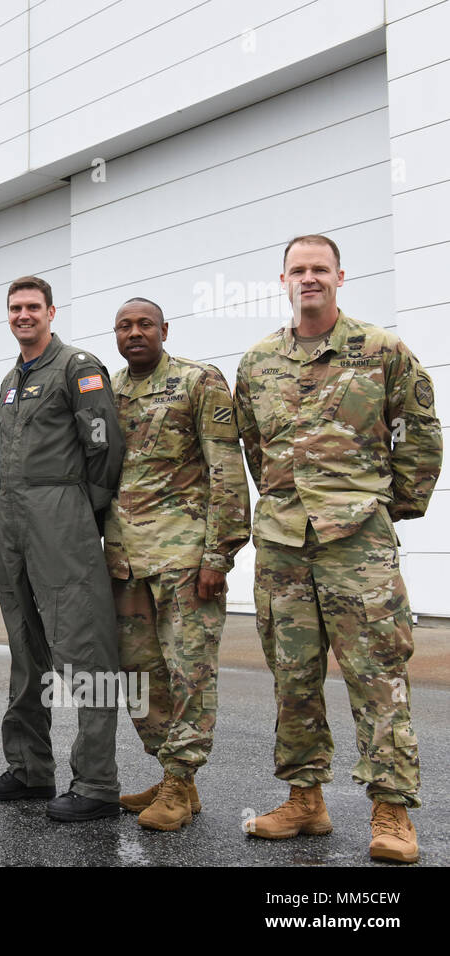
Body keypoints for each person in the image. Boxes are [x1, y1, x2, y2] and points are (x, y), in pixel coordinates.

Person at [236, 234, 441, 863]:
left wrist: (386, 508)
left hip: (358, 544)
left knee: (377, 675)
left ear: (340, 276)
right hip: (281, 545)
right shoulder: (258, 362)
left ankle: (392, 811)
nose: (309, 278)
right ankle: (305, 800)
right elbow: (254, 446)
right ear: (283, 280)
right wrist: (280, 507)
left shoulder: (382, 351)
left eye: (319, 269)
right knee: (292, 677)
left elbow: (420, 435)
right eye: (298, 270)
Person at [0, 275, 125, 821]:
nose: (23, 315)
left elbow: (102, 445)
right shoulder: (12, 378)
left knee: (81, 645)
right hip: (13, 516)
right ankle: (29, 769)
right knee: (24, 645)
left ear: (51, 312)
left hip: (61, 514)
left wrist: (81, 508)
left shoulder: (76, 367)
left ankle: (96, 783)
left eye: (32, 307)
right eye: (15, 308)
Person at [104, 299, 249, 829]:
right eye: (125, 326)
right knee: (140, 675)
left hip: (185, 559)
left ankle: (178, 777)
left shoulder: (198, 380)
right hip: (125, 563)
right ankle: (176, 780)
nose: (135, 333)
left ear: (165, 330)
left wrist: (220, 554)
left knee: (190, 672)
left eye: (145, 325)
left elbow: (226, 469)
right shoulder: (109, 390)